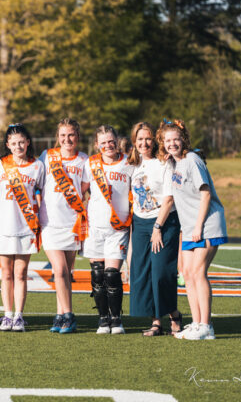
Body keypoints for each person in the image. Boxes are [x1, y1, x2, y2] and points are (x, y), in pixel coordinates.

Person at [160, 120, 227, 340]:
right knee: (187, 274)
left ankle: (207, 326)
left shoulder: (192, 160)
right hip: (190, 228)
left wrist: (198, 226)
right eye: (167, 140)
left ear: (183, 140)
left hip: (206, 225)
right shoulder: (175, 164)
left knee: (198, 273)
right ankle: (197, 323)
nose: (172, 144)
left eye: (176, 139)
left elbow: (205, 193)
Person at [127, 122, 182, 336]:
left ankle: (174, 314)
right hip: (140, 223)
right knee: (143, 273)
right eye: (140, 139)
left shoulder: (164, 163)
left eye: (148, 138)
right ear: (134, 142)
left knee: (161, 272)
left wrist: (158, 227)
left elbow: (169, 199)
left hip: (164, 221)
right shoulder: (132, 165)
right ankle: (156, 322)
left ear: (155, 140)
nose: (144, 143)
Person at [38, 118, 90, 334]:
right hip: (49, 223)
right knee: (58, 270)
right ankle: (69, 316)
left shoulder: (85, 160)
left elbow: (85, 189)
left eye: (71, 135)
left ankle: (60, 315)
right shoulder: (47, 157)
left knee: (66, 272)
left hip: (73, 224)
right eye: (62, 135)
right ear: (57, 137)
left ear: (77, 137)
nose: (67, 139)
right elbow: (35, 182)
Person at [0, 123, 45, 332]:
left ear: (28, 142)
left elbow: (42, 193)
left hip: (26, 226)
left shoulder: (37, 166)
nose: (18, 146)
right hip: (4, 224)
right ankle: (7, 315)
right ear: (7, 144)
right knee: (6, 273)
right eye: (13, 143)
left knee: (21, 273)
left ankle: (19, 316)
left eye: (21, 142)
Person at [84, 125, 134, 334]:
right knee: (97, 276)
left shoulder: (128, 163)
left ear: (117, 140)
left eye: (111, 141)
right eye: (103, 142)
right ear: (97, 145)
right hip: (95, 227)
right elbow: (82, 189)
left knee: (112, 275)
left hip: (118, 228)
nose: (107, 145)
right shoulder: (91, 163)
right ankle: (103, 319)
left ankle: (116, 319)